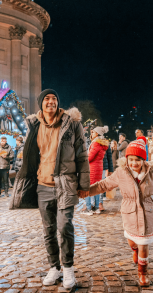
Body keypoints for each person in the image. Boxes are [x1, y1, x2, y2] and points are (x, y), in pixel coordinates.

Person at [10, 89, 90, 289]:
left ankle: (68, 267)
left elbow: (82, 154)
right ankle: (54, 267)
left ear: (58, 103)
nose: (51, 102)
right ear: (41, 104)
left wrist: (84, 184)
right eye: (47, 99)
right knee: (48, 230)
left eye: (54, 99)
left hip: (66, 184)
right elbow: (29, 154)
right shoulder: (34, 125)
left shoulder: (72, 123)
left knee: (65, 227)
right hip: (42, 186)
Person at [82, 139, 153, 286]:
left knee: (143, 244)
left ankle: (143, 273)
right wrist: (86, 192)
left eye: (137, 160)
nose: (134, 163)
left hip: (147, 213)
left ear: (143, 160)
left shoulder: (151, 174)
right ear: (127, 159)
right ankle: (134, 250)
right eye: (131, 159)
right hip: (129, 212)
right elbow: (103, 185)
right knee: (132, 240)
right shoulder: (121, 173)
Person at [82, 126, 109, 216]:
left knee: (87, 187)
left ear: (97, 133)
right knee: (96, 188)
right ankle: (97, 207)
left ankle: (89, 208)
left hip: (92, 168)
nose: (91, 134)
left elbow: (89, 157)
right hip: (98, 167)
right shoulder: (101, 144)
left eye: (92, 132)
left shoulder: (95, 143)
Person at [99, 140, 114, 205]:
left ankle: (100, 203)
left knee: (102, 185)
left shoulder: (105, 144)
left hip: (103, 167)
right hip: (95, 167)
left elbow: (109, 158)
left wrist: (110, 170)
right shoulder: (92, 143)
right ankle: (95, 203)